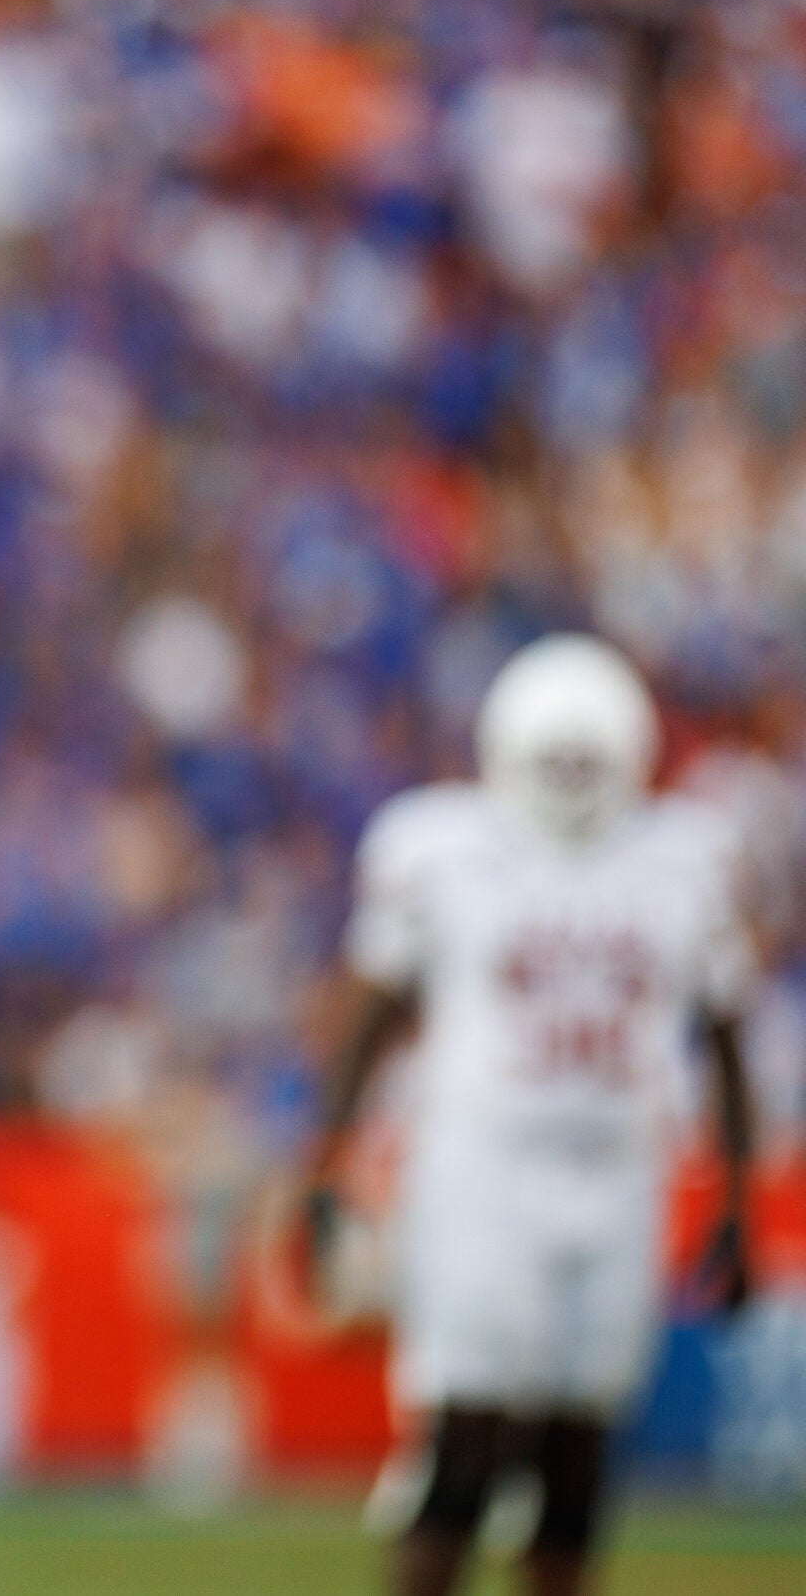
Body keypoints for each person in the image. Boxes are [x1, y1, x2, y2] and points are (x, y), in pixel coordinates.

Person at [302, 634, 756, 1596]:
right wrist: (327, 1160)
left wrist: (737, 1198)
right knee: (466, 1433)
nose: (572, 777)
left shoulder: (687, 857)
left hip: (622, 1165)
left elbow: (722, 1034)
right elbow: (372, 1011)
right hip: (481, 1167)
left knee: (579, 1446)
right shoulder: (445, 848)